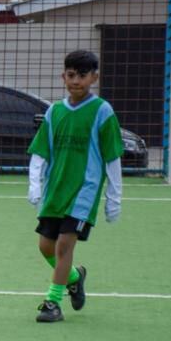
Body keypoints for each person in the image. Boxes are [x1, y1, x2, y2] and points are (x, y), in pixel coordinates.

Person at [28, 50, 123, 323]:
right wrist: (34, 183)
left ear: (94, 77)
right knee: (45, 247)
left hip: (84, 192)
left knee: (64, 246)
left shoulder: (102, 111)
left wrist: (114, 196)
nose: (76, 80)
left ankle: (52, 303)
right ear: (63, 76)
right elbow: (40, 152)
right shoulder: (54, 111)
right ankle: (74, 277)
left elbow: (112, 156)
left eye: (83, 75)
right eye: (71, 75)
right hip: (55, 191)